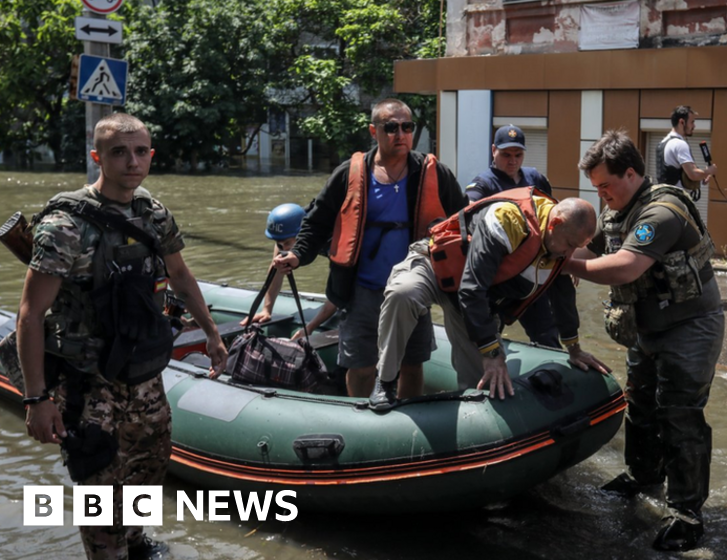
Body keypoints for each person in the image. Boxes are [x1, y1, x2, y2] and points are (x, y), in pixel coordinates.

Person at [17, 113, 228, 560]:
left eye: (139, 152)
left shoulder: (153, 215)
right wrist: (37, 400)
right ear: (98, 157)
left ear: (150, 155)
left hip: (144, 372)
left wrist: (211, 332)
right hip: (87, 379)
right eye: (119, 152)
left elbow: (181, 276)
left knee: (149, 468)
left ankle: (134, 543)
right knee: (100, 488)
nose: (132, 161)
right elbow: (31, 315)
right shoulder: (65, 227)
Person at [570, 130, 725, 552]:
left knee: (680, 416)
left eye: (605, 185)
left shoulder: (663, 210)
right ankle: (642, 477)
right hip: (648, 327)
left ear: (632, 173)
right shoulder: (616, 210)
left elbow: (622, 267)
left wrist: (563, 260)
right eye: (596, 187)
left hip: (690, 326)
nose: (601, 195)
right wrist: (554, 248)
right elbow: (593, 254)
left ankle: (687, 512)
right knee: (639, 405)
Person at [273, 99, 466, 399]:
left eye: (406, 127)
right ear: (373, 131)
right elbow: (317, 220)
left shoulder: (433, 172)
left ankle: (407, 421)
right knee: (361, 367)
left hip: (413, 288)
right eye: (391, 127)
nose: (399, 134)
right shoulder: (349, 174)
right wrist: (298, 254)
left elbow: (463, 219)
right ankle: (360, 420)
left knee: (412, 364)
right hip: (362, 288)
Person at [368, 190, 610, 411]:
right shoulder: (509, 220)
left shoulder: (557, 244)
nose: (568, 255)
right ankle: (386, 380)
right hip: (437, 267)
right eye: (569, 245)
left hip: (474, 300)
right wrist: (493, 354)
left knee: (481, 386)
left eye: (575, 248)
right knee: (403, 292)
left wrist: (574, 349)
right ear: (555, 223)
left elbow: (563, 297)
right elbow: (472, 289)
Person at [466, 124, 560, 348]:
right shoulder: (484, 183)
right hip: (497, 274)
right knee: (488, 334)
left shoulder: (535, 177)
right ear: (493, 151)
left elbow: (554, 218)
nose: (513, 161)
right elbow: (468, 214)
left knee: (547, 333)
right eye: (506, 155)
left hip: (531, 271)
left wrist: (565, 258)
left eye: (518, 155)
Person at [242, 203, 338, 339]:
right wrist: (266, 309)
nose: (284, 248)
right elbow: (276, 268)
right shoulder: (287, 232)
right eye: (279, 244)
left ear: (302, 234)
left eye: (287, 243)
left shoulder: (334, 240)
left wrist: (310, 327)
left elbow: (337, 291)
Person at [655, 105, 717, 200]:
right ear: (682, 122)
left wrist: (702, 179)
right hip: (677, 202)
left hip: (663, 198)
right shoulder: (680, 144)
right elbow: (693, 174)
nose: (694, 126)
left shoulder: (663, 142)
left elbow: (677, 175)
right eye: (692, 122)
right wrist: (709, 171)